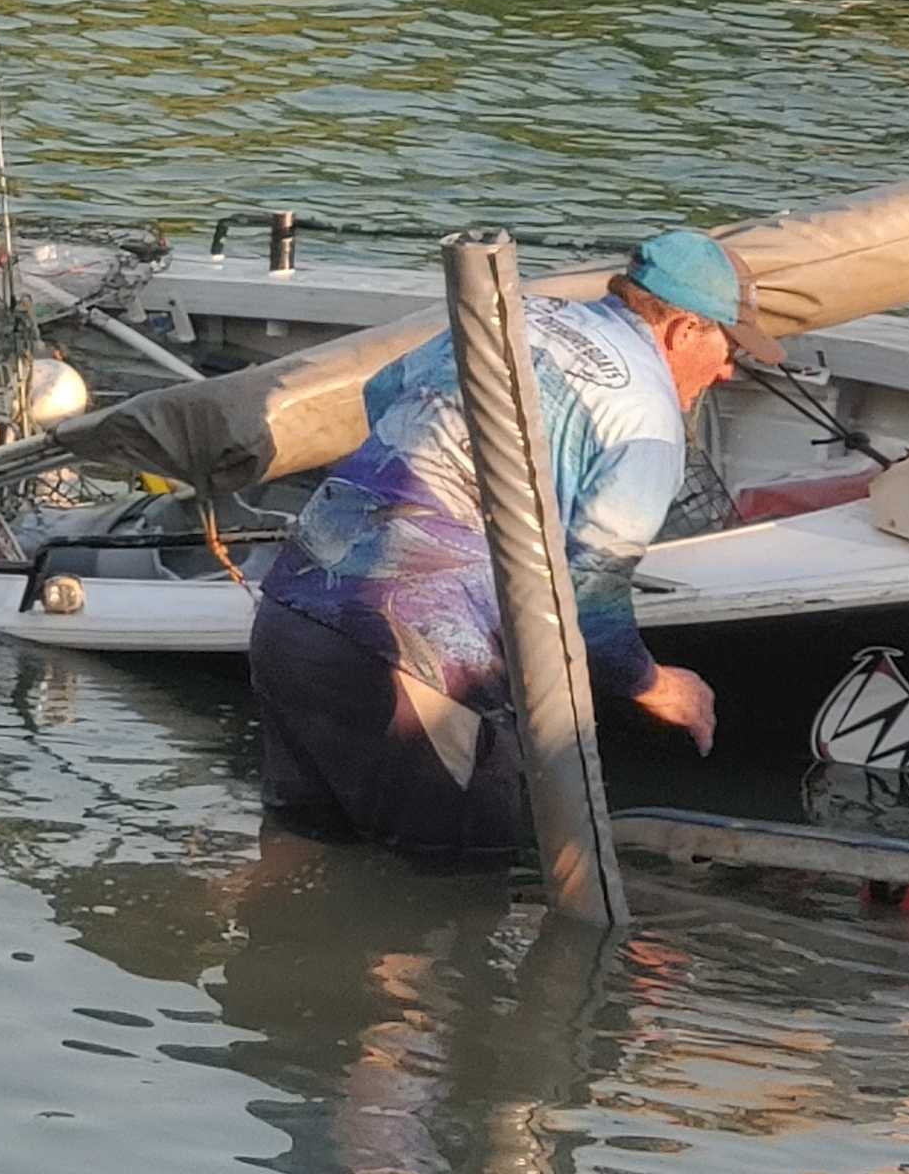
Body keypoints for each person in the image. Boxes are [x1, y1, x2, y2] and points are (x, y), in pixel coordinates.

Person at [250, 230, 781, 862]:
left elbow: (385, 393)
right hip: (419, 666)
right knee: (453, 909)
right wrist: (654, 684)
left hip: (290, 616)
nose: (726, 370)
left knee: (299, 861)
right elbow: (591, 598)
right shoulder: (648, 420)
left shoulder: (524, 315)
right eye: (729, 348)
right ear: (683, 331)